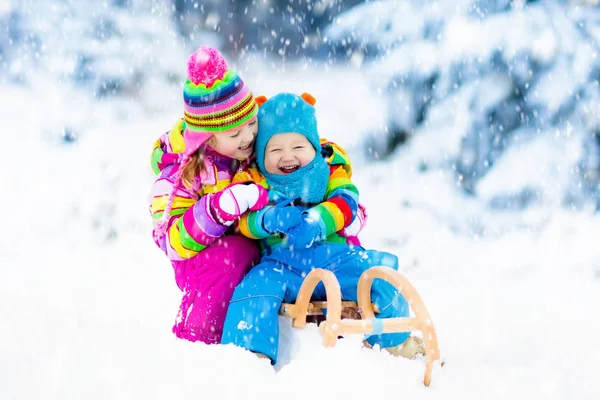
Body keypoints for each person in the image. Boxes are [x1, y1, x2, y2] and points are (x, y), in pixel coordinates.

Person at [221, 92, 424, 364]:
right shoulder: (254, 180)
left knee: (379, 278)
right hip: (282, 264)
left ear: (314, 147)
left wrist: (317, 222)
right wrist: (268, 219)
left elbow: (346, 201)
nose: (287, 156)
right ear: (261, 154)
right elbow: (242, 220)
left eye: (298, 147)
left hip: (336, 257)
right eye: (275, 150)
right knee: (255, 287)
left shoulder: (328, 169)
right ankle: (248, 354)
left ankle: (395, 344)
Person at [149, 46, 269, 345]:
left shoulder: (249, 152)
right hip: (201, 262)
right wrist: (219, 208)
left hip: (249, 245)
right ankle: (197, 335)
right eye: (234, 133)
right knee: (235, 253)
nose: (248, 136)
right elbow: (174, 242)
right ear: (207, 137)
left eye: (252, 123)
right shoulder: (179, 176)